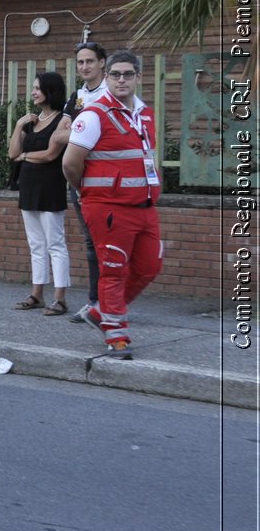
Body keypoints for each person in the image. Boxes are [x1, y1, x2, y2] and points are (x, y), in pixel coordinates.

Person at [61, 50, 162, 360]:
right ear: (106, 78)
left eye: (128, 74)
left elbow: (148, 159)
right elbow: (70, 163)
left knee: (149, 266)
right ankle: (115, 334)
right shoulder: (93, 114)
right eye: (115, 74)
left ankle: (100, 312)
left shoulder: (145, 113)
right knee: (114, 270)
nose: (121, 80)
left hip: (144, 208)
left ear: (138, 77)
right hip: (107, 207)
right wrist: (85, 192)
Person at [8, 71, 72, 315]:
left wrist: (25, 156)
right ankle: (37, 294)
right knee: (36, 244)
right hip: (28, 187)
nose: (33, 92)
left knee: (55, 244)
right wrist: (18, 126)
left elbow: (50, 155)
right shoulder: (32, 122)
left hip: (50, 187)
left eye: (38, 88)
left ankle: (60, 298)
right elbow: (13, 153)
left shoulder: (61, 121)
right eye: (33, 88)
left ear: (51, 91)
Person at [62, 41, 109, 322]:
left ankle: (110, 303)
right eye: (80, 62)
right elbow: (60, 132)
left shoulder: (111, 94)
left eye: (90, 61)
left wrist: (77, 133)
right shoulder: (77, 96)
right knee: (91, 243)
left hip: (103, 177)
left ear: (102, 62)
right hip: (79, 177)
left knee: (107, 243)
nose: (85, 67)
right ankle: (95, 303)